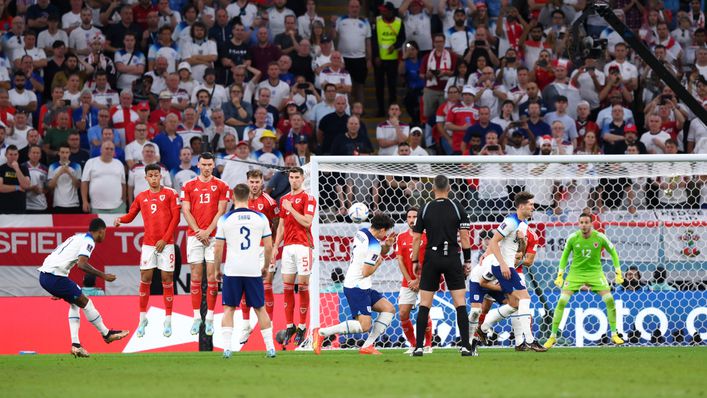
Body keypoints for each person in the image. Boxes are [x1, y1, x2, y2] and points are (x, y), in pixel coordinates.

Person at [38, 218, 129, 358]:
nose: (104, 236)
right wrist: (103, 275)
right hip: (54, 277)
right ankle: (106, 334)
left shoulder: (77, 237)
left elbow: (60, 257)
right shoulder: (89, 241)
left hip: (46, 276)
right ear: (100, 231)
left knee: (75, 304)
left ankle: (76, 345)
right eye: (104, 233)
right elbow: (82, 264)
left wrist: (56, 288)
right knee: (87, 303)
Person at [312, 213, 396, 355]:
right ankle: (321, 333)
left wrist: (386, 246)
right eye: (385, 232)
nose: (386, 235)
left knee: (389, 309)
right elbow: (366, 271)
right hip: (357, 286)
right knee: (364, 326)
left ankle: (367, 346)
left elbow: (372, 252)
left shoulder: (362, 232)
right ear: (382, 230)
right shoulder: (374, 245)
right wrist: (378, 264)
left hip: (362, 285)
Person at [114, 164, 181, 338]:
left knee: (167, 278)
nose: (154, 178)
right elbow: (130, 215)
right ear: (145, 178)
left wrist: (165, 240)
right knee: (146, 277)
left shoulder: (170, 194)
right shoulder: (141, 197)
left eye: (156, 175)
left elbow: (176, 218)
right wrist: (120, 219)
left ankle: (168, 319)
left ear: (161, 176)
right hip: (149, 245)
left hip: (166, 244)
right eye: (150, 175)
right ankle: (142, 318)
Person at [476, 192, 547, 352]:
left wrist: (522, 240)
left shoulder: (522, 225)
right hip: (503, 267)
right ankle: (529, 340)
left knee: (515, 304)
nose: (533, 207)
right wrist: (502, 265)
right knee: (525, 298)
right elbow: (494, 241)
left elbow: (520, 250)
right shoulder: (510, 221)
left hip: (509, 267)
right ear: (521, 206)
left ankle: (484, 327)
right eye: (530, 205)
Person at [411, 174, 474, 357]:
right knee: (460, 303)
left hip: (432, 257)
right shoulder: (457, 207)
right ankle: (465, 346)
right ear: (449, 188)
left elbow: (416, 238)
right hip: (452, 257)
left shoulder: (425, 208)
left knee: (424, 304)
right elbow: (464, 238)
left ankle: (419, 347)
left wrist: (415, 261)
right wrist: (467, 260)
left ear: (433, 189)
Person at [544, 213, 624, 348]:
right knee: (562, 301)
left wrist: (618, 271)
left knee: (609, 299)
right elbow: (564, 257)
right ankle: (552, 337)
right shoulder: (573, 238)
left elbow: (613, 252)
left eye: (586, 222)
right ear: (578, 223)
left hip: (595, 273)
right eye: (581, 222)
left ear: (591, 224)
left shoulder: (599, 237)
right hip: (576, 274)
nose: (584, 225)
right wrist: (560, 275)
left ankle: (614, 334)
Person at [215, 183, 277, 359]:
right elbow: (268, 246)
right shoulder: (261, 218)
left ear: (233, 197)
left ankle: (227, 349)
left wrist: (217, 269)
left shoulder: (225, 219)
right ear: (249, 197)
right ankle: (270, 348)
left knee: (229, 309)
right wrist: (265, 267)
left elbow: (218, 248)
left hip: (233, 270)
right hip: (252, 270)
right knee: (260, 309)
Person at [180, 152, 231, 335]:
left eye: (210, 164)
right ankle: (196, 318)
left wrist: (207, 231)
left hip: (214, 236)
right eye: (204, 164)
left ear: (213, 165)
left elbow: (221, 210)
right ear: (198, 165)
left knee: (212, 277)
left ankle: (209, 318)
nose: (207, 167)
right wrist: (199, 232)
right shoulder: (188, 185)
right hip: (195, 236)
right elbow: (185, 210)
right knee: (195, 276)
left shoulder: (222, 185)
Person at [271, 167, 316, 346]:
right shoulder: (284, 200)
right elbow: (281, 225)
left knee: (303, 287)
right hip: (288, 248)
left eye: (297, 177)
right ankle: (290, 325)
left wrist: (291, 208)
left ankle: (303, 326)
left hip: (304, 246)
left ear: (302, 178)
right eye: (291, 177)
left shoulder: (308, 198)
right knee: (287, 287)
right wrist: (276, 246)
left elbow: (307, 221)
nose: (294, 180)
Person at [238, 169, 280, 345]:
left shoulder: (270, 202)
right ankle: (246, 324)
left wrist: (274, 247)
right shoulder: (241, 200)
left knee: (267, 286)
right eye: (251, 182)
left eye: (257, 182)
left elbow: (277, 224)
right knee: (244, 287)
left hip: (265, 249)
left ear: (263, 182)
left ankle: (268, 324)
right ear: (247, 182)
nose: (254, 185)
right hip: (246, 249)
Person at [396, 207, 433, 353]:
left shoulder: (427, 236)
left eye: (414, 217)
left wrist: (418, 280)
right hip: (408, 282)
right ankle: (413, 345)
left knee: (425, 311)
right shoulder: (401, 237)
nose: (412, 220)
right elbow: (400, 260)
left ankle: (428, 344)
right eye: (409, 217)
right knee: (403, 313)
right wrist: (410, 280)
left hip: (425, 280)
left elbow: (430, 260)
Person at [48, 143, 83, 213]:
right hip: (58, 204)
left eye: (67, 152)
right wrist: (59, 173)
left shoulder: (77, 166)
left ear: (70, 153)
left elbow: (78, 185)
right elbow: (50, 186)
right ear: (58, 153)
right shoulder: (52, 166)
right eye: (62, 152)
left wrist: (70, 173)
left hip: (74, 204)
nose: (64, 155)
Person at [0, 145, 31, 213]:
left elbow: (26, 185)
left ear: (18, 155)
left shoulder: (24, 168)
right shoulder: (1, 168)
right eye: (10, 154)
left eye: (15, 154)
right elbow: (0, 187)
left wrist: (17, 169)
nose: (13, 157)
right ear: (6, 155)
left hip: (19, 207)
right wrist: (17, 187)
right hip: (3, 208)